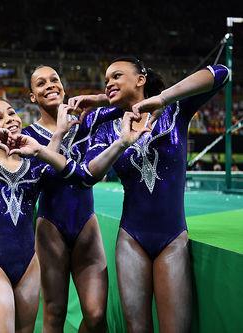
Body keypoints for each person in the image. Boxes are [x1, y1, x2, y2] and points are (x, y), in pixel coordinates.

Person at [0, 97, 147, 333]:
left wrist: (55, 136)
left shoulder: (34, 167)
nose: (9, 119)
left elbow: (71, 174)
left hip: (29, 265)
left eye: (12, 113)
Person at [84, 57, 229, 332]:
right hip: (131, 240)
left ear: (141, 79)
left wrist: (163, 97)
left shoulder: (175, 111)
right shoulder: (104, 127)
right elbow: (90, 172)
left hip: (172, 239)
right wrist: (121, 142)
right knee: (136, 328)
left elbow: (221, 73)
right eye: (106, 81)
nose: (108, 83)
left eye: (116, 76)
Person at [23, 65, 123, 332]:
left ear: (64, 86)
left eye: (54, 79)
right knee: (54, 312)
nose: (50, 85)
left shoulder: (87, 122)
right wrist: (57, 134)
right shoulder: (28, 136)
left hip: (85, 225)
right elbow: (38, 180)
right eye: (41, 84)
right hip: (49, 228)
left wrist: (99, 98)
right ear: (32, 96)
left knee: (96, 314)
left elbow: (129, 101)